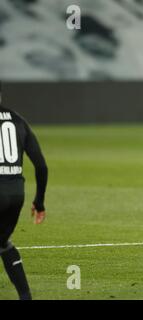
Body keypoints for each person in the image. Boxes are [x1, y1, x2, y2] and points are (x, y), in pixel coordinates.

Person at [0, 82, 48, 300]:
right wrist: (39, 202)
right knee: (3, 243)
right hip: (16, 194)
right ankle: (25, 296)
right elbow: (41, 166)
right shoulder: (18, 120)